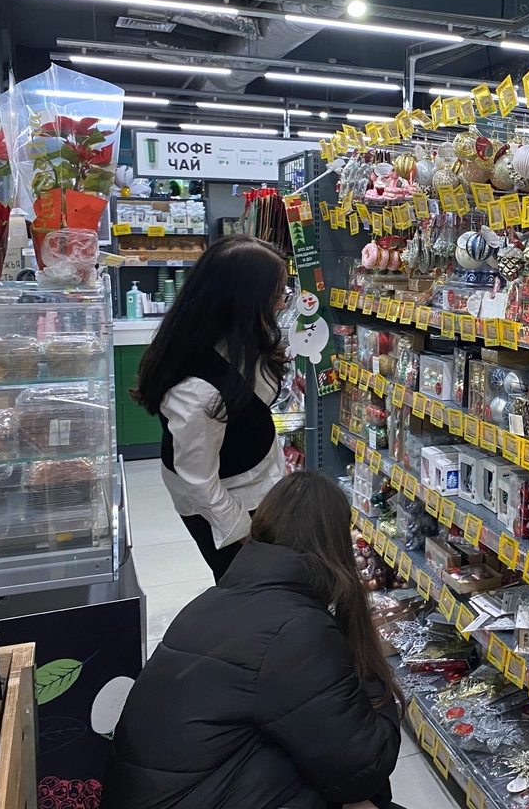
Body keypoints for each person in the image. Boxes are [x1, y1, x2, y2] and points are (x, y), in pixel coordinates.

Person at [103, 471, 404, 809]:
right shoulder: (297, 631)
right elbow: (365, 767)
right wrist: (363, 653)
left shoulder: (212, 602)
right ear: (337, 545)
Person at [134, 234, 290, 581]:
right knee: (247, 588)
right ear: (242, 302)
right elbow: (199, 483)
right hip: (224, 505)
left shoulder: (242, 341)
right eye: (275, 295)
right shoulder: (197, 391)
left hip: (256, 485)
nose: (281, 304)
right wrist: (243, 534)